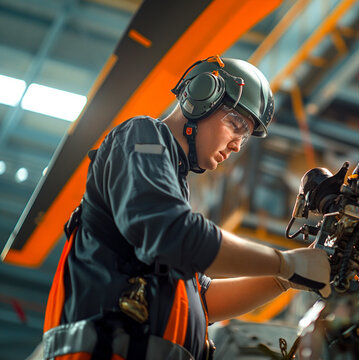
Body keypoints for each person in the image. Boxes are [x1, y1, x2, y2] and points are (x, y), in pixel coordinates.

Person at [41, 56, 331, 360]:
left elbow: (204, 301)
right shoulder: (140, 137)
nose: (236, 145)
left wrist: (284, 279)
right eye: (236, 125)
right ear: (201, 97)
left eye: (244, 139)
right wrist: (283, 262)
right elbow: (174, 234)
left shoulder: (171, 190)